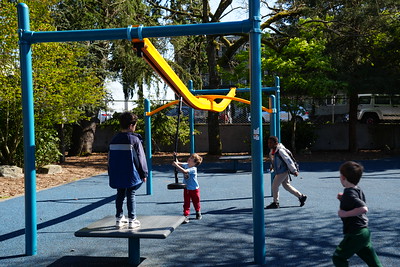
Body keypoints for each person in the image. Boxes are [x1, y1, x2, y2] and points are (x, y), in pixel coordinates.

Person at [332, 161, 382, 267]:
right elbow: (354, 202)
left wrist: (345, 214)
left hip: (355, 233)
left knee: (339, 257)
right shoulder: (356, 189)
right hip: (364, 232)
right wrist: (343, 199)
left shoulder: (349, 193)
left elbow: (363, 208)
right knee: (371, 260)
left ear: (343, 177)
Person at [108, 112, 148, 229]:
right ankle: (132, 219)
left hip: (117, 172)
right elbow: (141, 158)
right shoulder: (134, 139)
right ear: (131, 126)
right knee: (131, 193)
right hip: (131, 172)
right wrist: (143, 173)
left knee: (120, 193)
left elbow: (109, 158)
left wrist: (111, 172)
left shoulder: (114, 139)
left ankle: (119, 218)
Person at [265, 136, 307, 209]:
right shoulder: (272, 151)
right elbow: (274, 160)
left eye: (271, 143)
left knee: (275, 186)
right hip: (280, 170)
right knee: (286, 186)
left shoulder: (280, 151)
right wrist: (272, 166)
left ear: (276, 143)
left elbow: (288, 160)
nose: (269, 144)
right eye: (268, 143)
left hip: (283, 171)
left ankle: (276, 202)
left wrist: (294, 170)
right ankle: (301, 196)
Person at [172, 153, 203, 223]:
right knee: (186, 202)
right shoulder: (186, 164)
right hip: (186, 188)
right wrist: (175, 157)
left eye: (192, 158)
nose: (189, 158)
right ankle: (186, 215)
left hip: (194, 189)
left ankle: (198, 211)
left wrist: (176, 165)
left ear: (194, 163)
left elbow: (184, 171)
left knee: (196, 201)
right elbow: (178, 163)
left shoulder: (193, 169)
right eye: (190, 157)